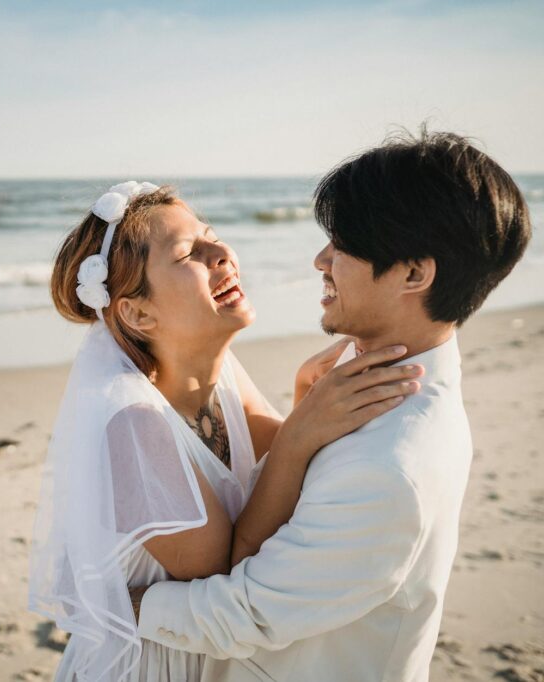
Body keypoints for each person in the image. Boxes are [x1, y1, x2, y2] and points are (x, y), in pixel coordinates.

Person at [132, 129, 531, 681]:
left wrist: (122, 606)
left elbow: (251, 612)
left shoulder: (390, 467)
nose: (321, 259)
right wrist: (298, 421)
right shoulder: (368, 378)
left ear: (415, 273)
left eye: (342, 244)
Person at [28, 181, 423, 681]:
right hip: (150, 666)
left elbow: (285, 483)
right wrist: (301, 428)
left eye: (212, 235)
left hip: (212, 655)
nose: (222, 254)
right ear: (137, 312)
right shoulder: (133, 423)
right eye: (190, 253)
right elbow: (227, 570)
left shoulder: (222, 375)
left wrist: (305, 398)